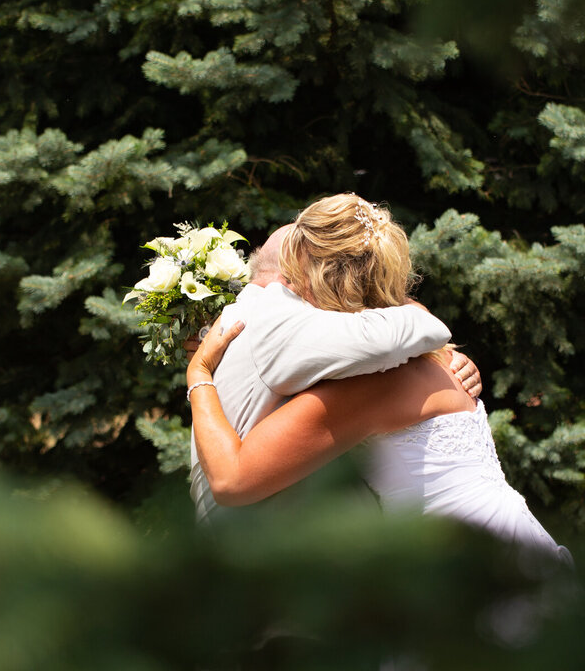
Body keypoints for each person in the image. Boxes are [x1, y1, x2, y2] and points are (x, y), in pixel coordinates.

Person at [188, 193, 569, 561]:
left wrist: (199, 373)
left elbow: (232, 480)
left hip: (457, 556)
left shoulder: (370, 382)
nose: (285, 287)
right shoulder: (435, 356)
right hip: (505, 530)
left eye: (291, 274)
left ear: (316, 276)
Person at [187, 217, 480, 524]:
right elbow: (420, 330)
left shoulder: (237, 318)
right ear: (292, 274)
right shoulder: (285, 321)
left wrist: (198, 373)